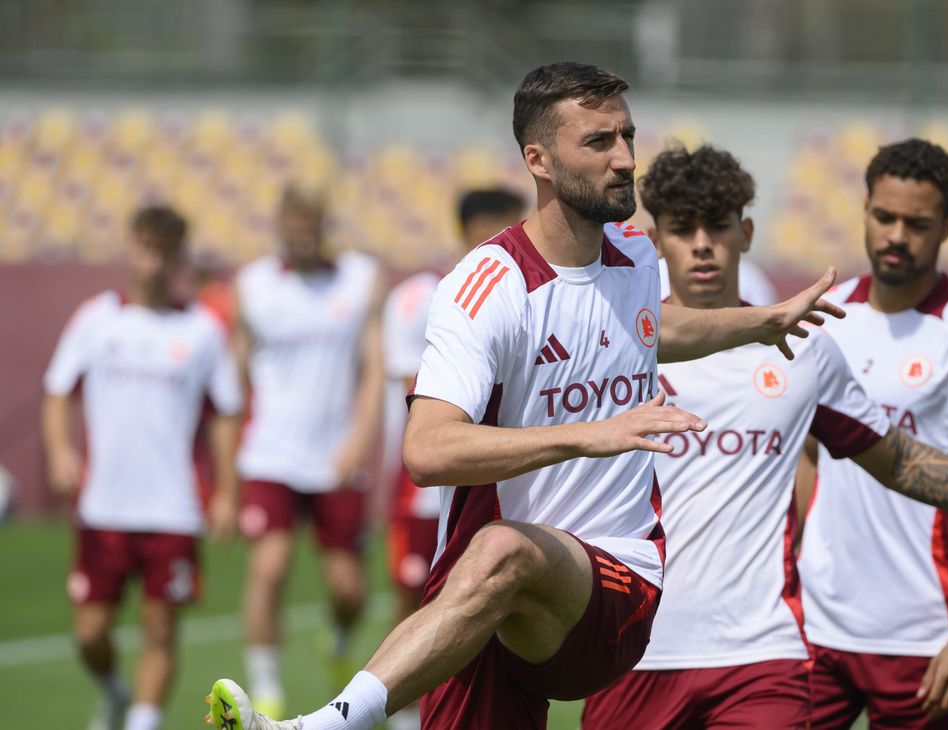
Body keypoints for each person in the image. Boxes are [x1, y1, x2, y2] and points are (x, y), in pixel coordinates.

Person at [202, 60, 910, 730]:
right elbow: (426, 449)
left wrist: (761, 322)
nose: (626, 158)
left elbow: (653, 326)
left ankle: (326, 721)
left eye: (627, 135)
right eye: (600, 141)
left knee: (505, 548)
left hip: (615, 584)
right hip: (485, 603)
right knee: (495, 558)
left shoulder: (633, 255)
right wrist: (587, 434)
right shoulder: (486, 288)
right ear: (538, 160)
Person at [581, 144, 948, 729]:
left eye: (716, 227)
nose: (701, 245)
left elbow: (893, 456)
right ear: (654, 237)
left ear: (744, 232)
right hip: (637, 649)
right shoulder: (616, 344)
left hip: (764, 655)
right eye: (682, 229)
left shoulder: (804, 344)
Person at [796, 138, 948, 729]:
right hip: (815, 629)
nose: (896, 236)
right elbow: (807, 453)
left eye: (917, 223)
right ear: (864, 209)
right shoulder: (822, 318)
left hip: (927, 637)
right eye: (884, 217)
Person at [42, 205, 242, 730]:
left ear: (179, 257)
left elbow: (224, 413)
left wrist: (224, 491)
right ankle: (114, 693)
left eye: (164, 251)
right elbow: (58, 391)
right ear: (129, 248)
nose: (152, 262)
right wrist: (62, 451)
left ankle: (143, 721)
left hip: (172, 507)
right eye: (144, 248)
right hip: (103, 504)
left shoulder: (202, 329)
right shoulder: (95, 318)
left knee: (160, 629)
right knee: (89, 632)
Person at [233, 184, 387, 719]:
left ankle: (339, 645)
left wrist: (358, 442)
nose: (300, 233)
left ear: (322, 224)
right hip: (269, 454)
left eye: (310, 223)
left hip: (334, 458)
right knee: (269, 569)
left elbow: (372, 369)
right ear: (279, 223)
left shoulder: (359, 279)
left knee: (349, 588)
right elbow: (235, 374)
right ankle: (266, 688)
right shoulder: (253, 286)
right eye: (292, 222)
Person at [380, 188, 525, 730]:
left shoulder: (524, 294)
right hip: (427, 480)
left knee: (484, 608)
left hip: (498, 478)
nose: (498, 242)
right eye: (489, 229)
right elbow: (413, 389)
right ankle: (399, 713)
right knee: (415, 599)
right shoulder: (426, 299)